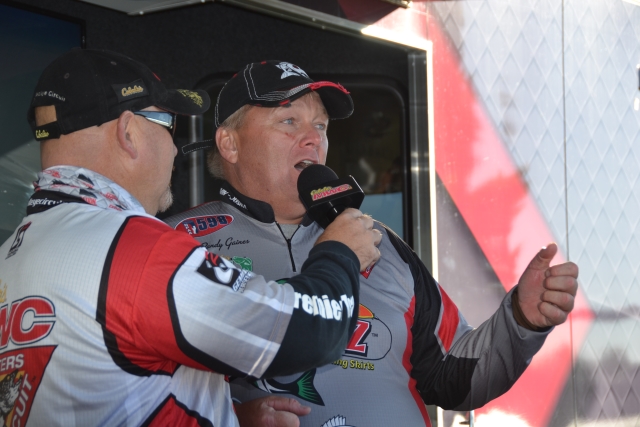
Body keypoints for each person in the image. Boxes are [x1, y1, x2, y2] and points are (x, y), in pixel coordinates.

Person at [165, 60, 579, 427]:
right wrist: (229, 419)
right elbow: (135, 395)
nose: (313, 139)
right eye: (288, 121)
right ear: (230, 143)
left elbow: (455, 377)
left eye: (321, 125)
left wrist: (520, 321)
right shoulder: (175, 243)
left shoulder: (376, 239)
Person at [0, 49, 382, 427]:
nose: (174, 148)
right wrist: (340, 251)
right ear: (128, 133)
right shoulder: (134, 248)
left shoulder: (10, 256)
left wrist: (227, 416)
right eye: (168, 124)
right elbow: (309, 332)